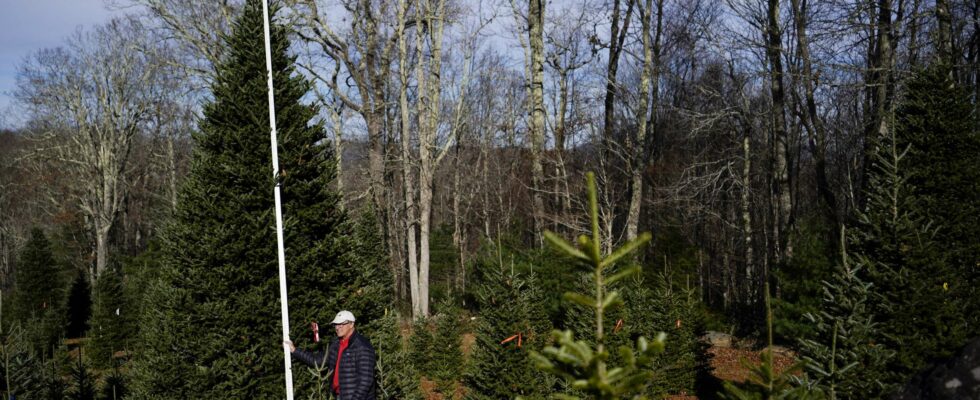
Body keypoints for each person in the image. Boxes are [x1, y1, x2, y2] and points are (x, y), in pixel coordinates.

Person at [284, 310, 377, 400]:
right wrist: (294, 350)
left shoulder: (362, 346)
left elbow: (366, 381)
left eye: (342, 324)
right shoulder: (336, 344)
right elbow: (317, 360)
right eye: (336, 324)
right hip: (339, 396)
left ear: (352, 324)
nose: (337, 327)